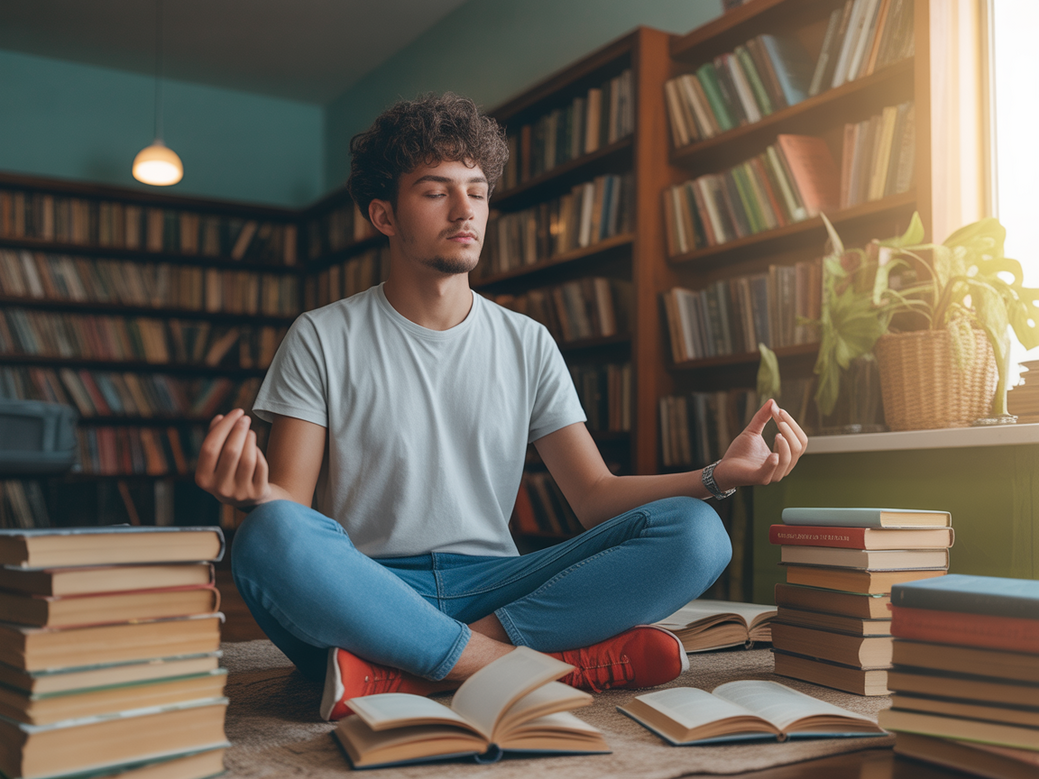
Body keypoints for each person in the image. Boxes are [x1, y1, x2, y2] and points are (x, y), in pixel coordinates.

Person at [195, 93, 807, 722]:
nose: (465, 211)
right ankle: (514, 664)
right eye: (436, 192)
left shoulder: (526, 341)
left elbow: (594, 495)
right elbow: (292, 514)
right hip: (370, 589)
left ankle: (406, 667)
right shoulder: (321, 335)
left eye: (478, 191)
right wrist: (255, 499)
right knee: (267, 536)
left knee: (697, 533)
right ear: (383, 214)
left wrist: (718, 477)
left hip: (499, 583)